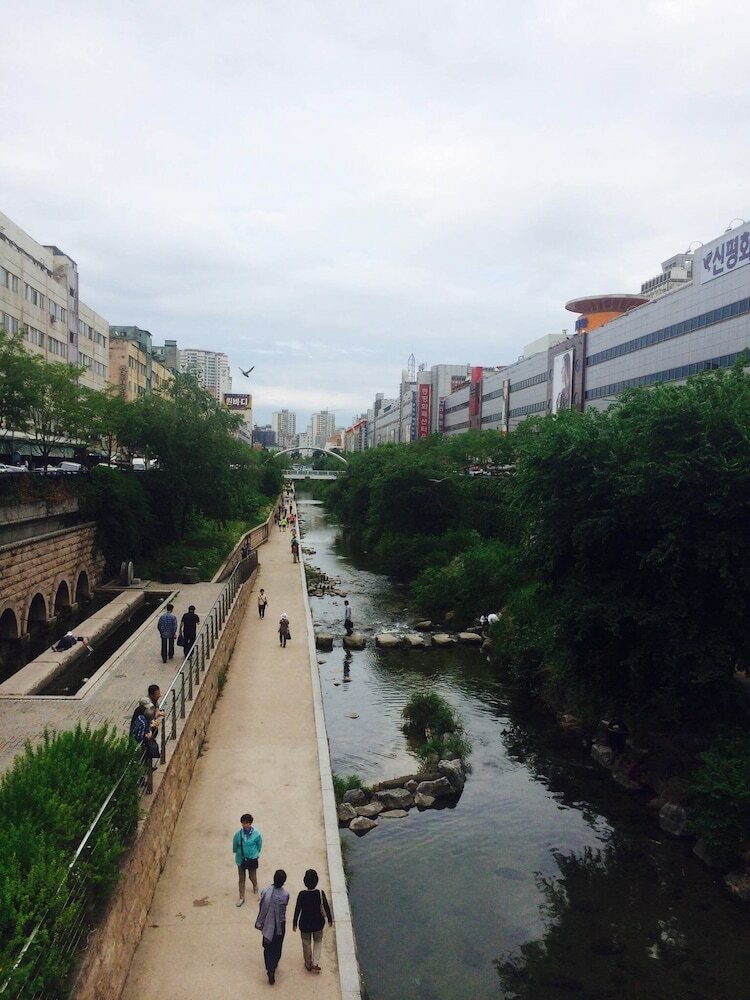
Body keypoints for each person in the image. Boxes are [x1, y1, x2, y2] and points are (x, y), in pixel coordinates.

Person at [292, 868, 333, 973]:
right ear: (317, 881)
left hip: (305, 924)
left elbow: (298, 909)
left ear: (304, 881)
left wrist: (294, 922)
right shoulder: (320, 893)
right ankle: (315, 962)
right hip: (318, 924)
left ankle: (308, 963)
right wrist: (329, 919)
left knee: (306, 943)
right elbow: (326, 907)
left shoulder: (302, 894)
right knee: (318, 942)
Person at [255, 870, 289, 985]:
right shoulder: (285, 895)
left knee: (267, 948)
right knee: (277, 947)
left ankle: (270, 968)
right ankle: (273, 965)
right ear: (284, 882)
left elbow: (262, 907)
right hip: (280, 926)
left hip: (268, 926)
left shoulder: (265, 892)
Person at [233, 812, 263, 905]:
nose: (244, 825)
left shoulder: (257, 835)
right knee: (241, 878)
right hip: (241, 859)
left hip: (251, 859)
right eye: (243, 823)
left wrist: (255, 854)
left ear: (250, 823)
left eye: (246, 823)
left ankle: (255, 885)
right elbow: (235, 846)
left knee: (252, 876)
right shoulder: (238, 835)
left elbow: (259, 845)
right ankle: (242, 897)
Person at [129, 697, 160, 767]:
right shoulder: (140, 716)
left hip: (143, 737)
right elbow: (139, 735)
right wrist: (146, 736)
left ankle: (148, 767)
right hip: (140, 742)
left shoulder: (144, 715)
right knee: (142, 756)